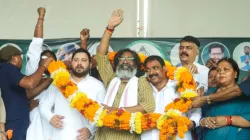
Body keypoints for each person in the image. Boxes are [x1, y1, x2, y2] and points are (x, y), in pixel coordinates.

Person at [94, 9, 155, 140]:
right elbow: (101, 56)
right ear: (116, 64)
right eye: (122, 59)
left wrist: (118, 110)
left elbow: (148, 106)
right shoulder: (111, 79)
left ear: (137, 65)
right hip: (103, 135)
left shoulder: (142, 82)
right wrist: (109, 28)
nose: (125, 61)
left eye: (130, 59)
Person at [39, 48, 106, 140]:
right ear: (71, 62)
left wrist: (90, 130)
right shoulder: (59, 82)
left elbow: (102, 114)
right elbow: (43, 104)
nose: (79, 63)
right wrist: (50, 117)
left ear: (90, 65)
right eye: (76, 60)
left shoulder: (98, 86)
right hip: (60, 136)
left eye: (84, 60)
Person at [141, 55, 201, 140]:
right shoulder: (143, 89)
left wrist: (193, 123)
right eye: (148, 70)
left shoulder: (180, 85)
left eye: (155, 68)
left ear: (165, 68)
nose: (151, 72)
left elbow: (195, 108)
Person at [0, 43, 52, 140]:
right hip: (13, 125)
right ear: (14, 58)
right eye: (20, 56)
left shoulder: (7, 72)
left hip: (17, 124)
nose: (22, 60)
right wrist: (43, 66)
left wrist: (49, 80)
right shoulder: (7, 68)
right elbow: (30, 83)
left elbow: (27, 95)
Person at [25, 7, 57, 140]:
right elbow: (36, 44)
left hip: (54, 122)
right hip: (35, 122)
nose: (47, 63)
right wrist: (41, 18)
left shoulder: (60, 76)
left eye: (51, 61)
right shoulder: (33, 72)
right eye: (44, 60)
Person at [200, 58, 250, 140]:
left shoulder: (245, 95)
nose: (221, 72)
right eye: (218, 70)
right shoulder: (207, 95)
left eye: (226, 69)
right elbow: (199, 117)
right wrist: (203, 121)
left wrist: (227, 120)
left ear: (235, 74)